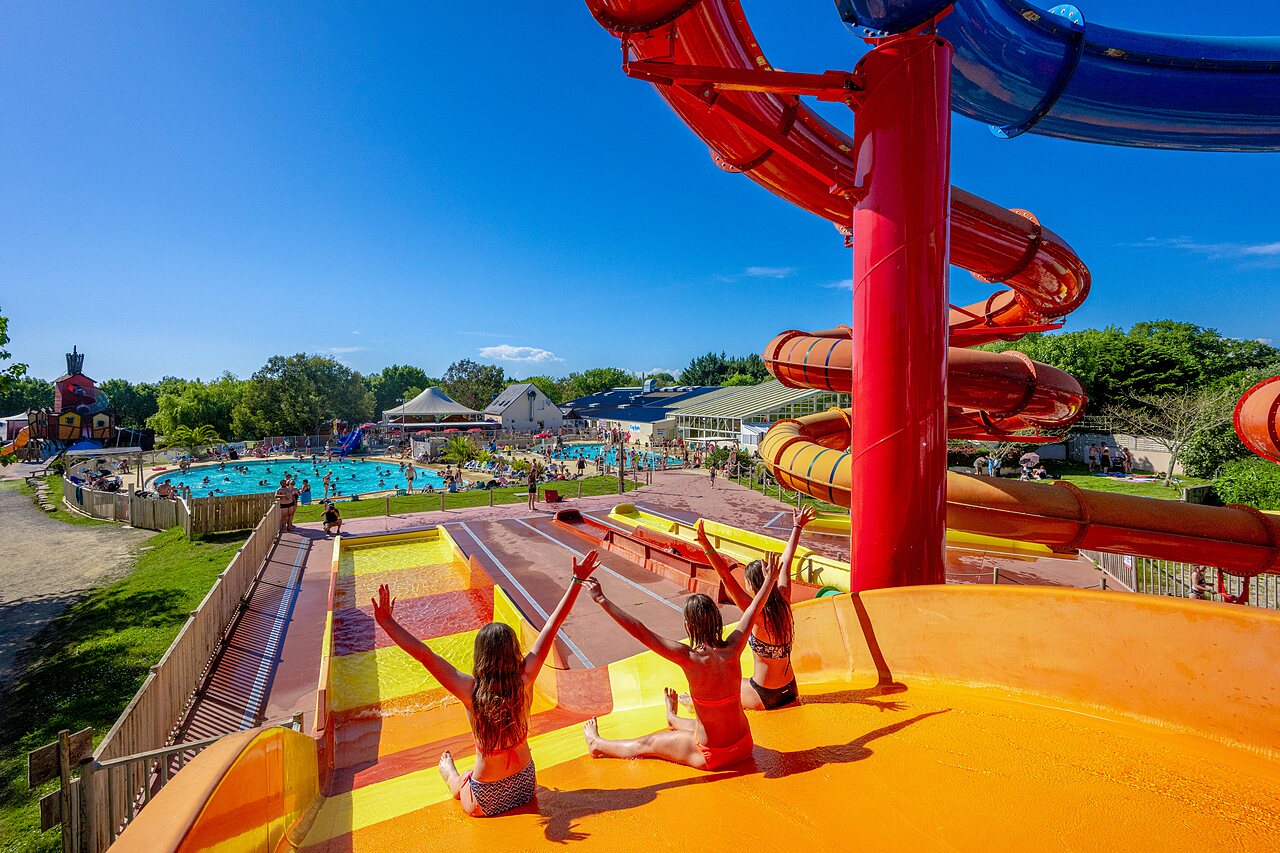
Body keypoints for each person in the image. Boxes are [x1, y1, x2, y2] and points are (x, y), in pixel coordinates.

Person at [371, 551, 601, 817]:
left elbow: (425, 656)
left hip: (485, 799)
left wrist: (388, 623)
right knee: (487, 776)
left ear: (480, 656)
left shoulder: (470, 691)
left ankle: (452, 776)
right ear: (514, 649)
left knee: (462, 783)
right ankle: (459, 777)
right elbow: (553, 624)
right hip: (526, 786)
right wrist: (576, 580)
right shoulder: (525, 679)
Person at [579, 551, 781, 771]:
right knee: (701, 724)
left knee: (649, 743)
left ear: (689, 625)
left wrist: (601, 599)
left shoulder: (690, 658)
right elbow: (753, 609)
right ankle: (674, 719)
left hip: (712, 756)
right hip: (744, 746)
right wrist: (769, 581)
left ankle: (597, 744)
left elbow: (641, 632)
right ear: (717, 620)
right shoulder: (733, 647)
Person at [696, 505, 813, 710]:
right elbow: (786, 560)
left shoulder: (756, 613)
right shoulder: (784, 599)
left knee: (715, 687)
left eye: (748, 583)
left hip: (764, 695)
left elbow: (725, 575)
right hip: (790, 689)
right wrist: (797, 526)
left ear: (753, 585)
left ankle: (687, 704)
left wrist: (707, 545)